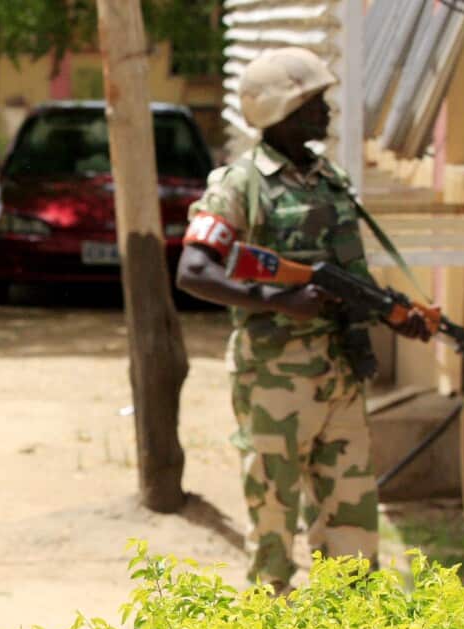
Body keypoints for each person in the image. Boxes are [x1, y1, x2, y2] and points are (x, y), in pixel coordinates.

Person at [175, 47, 431, 594]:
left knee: (353, 527)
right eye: (315, 102)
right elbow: (193, 271)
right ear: (281, 112)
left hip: (339, 371)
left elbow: (345, 276)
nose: (328, 111)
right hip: (275, 379)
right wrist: (276, 299)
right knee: (273, 524)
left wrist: (394, 313)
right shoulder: (239, 184)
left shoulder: (328, 180)